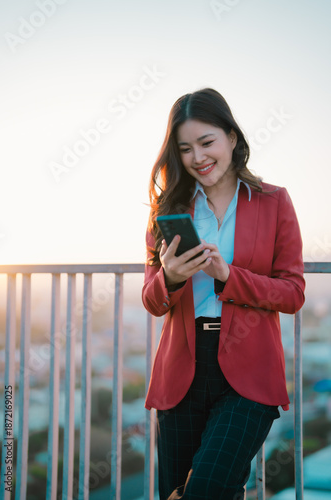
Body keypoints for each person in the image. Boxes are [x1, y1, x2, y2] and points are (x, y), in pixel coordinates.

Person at [142, 88, 305, 500]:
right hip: (182, 370)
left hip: (249, 375)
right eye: (184, 148)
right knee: (178, 492)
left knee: (207, 490)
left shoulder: (273, 202)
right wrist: (171, 278)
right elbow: (152, 299)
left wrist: (228, 275)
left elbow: (292, 293)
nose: (197, 157)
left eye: (206, 141)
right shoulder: (167, 211)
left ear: (232, 137)